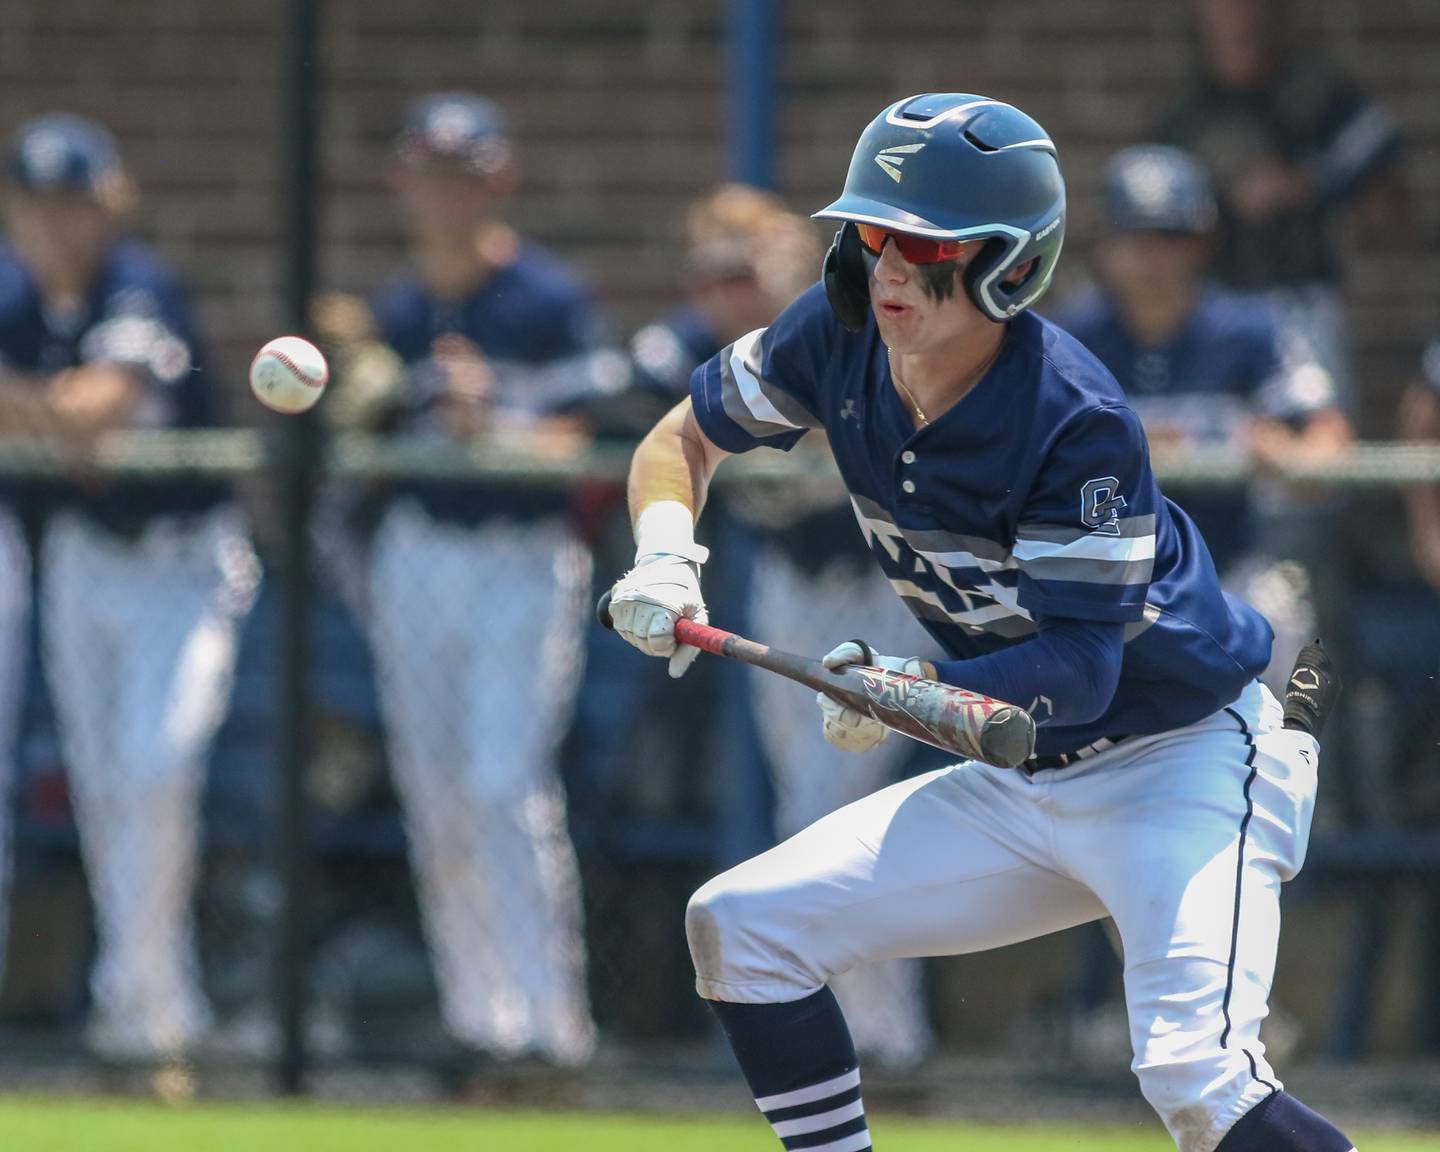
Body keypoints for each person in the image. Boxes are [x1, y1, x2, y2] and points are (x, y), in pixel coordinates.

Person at [606, 93, 1353, 1152]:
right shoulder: (839, 332)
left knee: (1199, 1077)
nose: (889, 269)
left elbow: (1083, 674)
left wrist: (903, 694)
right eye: (870, 233)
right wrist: (668, 554)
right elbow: (682, 436)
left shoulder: (1071, 419)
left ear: (1012, 264)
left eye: (925, 242)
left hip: (1179, 763)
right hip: (1023, 774)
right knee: (742, 929)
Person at [590, 184, 937, 1066]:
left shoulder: (843, 330)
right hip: (795, 582)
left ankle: (884, 1040)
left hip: (901, 587)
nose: (729, 294)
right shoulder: (699, 347)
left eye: (747, 273)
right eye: (713, 276)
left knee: (846, 808)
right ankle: (875, 1038)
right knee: (815, 810)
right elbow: (635, 412)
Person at [323, 93, 615, 1077]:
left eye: (464, 177)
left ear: (498, 183)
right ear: (405, 183)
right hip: (417, 552)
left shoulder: (544, 297)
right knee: (438, 794)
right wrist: (361, 402)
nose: (445, 197)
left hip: (519, 556)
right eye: (429, 175)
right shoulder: (394, 312)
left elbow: (588, 443)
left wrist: (487, 419)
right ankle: (480, 1020)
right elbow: (358, 454)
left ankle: (550, 1024)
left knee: (502, 784)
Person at [0, 113, 258, 1061]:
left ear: (112, 201)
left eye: (74, 204)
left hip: (181, 560)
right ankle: (142, 1011)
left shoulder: (138, 283)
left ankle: (151, 1007)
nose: (55, 227)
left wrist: (31, 406)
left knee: (156, 770)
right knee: (105, 789)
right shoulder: (13, 293)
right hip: (76, 556)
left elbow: (91, 414)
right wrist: (45, 410)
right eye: (36, 206)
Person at [1055, 144, 1351, 691]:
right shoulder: (1071, 338)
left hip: (1227, 571)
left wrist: (1285, 456)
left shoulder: (1250, 330)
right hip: (1107, 578)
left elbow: (1328, 441)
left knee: (1278, 647)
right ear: (1106, 243)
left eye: (1171, 236)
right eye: (1135, 235)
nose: (1152, 256)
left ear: (1203, 242)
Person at [1156, 0, 1405, 396]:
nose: (1238, 15)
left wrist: (1302, 183)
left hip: (1303, 303)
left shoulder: (1319, 94)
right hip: (1216, 305)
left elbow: (1390, 214)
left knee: (1318, 431)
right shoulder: (1184, 113)